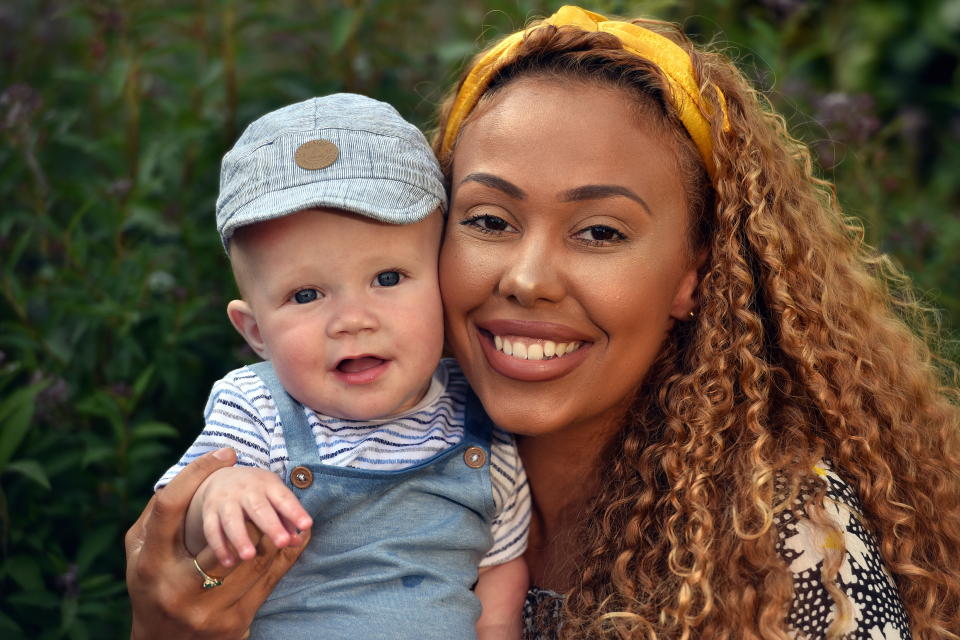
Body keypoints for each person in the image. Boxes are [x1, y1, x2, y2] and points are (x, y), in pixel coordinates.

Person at [126, 6, 960, 639]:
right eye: (489, 220)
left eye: (600, 232)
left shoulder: (778, 538)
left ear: (693, 275)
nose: (525, 279)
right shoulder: (350, 427)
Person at [153, 93, 530, 639]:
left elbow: (500, 563)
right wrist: (222, 491)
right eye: (306, 294)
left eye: (388, 279)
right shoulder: (259, 410)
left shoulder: (480, 419)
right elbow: (175, 517)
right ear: (255, 331)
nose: (352, 320)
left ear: (445, 285)